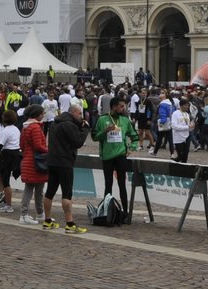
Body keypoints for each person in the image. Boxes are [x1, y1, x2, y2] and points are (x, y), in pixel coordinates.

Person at [44, 101, 90, 232]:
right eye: (80, 113)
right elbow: (78, 142)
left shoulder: (55, 122)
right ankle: (70, 223)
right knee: (67, 193)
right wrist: (85, 128)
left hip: (52, 161)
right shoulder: (69, 125)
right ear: (73, 113)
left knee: (50, 192)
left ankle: (47, 221)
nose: (81, 116)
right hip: (64, 162)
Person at [93, 96, 137, 217]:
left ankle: (125, 212)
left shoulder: (125, 120)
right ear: (114, 107)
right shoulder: (102, 119)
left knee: (122, 184)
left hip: (121, 156)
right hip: (107, 156)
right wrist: (105, 131)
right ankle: (107, 211)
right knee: (108, 184)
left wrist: (131, 149)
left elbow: (135, 137)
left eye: (124, 106)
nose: (124, 108)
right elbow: (94, 137)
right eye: (121, 106)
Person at [18, 104, 49, 224]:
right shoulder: (35, 127)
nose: (43, 115)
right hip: (35, 162)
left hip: (28, 160)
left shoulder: (25, 127)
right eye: (42, 114)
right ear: (37, 115)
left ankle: (31, 213)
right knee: (36, 189)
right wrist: (48, 150)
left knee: (31, 188)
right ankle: (31, 214)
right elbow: (38, 146)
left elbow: (22, 145)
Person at [0, 110, 21, 214]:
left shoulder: (6, 131)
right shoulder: (16, 129)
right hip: (15, 153)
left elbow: (0, 146)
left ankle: (8, 204)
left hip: (7, 154)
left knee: (5, 180)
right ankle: (2, 191)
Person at [169, 98, 193, 163]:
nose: (187, 107)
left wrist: (191, 126)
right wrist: (187, 127)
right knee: (181, 155)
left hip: (187, 136)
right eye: (186, 105)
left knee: (185, 155)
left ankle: (184, 169)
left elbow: (188, 126)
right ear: (181, 106)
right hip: (178, 137)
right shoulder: (175, 113)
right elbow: (174, 126)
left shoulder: (187, 114)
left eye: (188, 105)